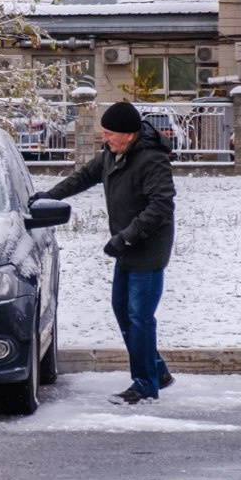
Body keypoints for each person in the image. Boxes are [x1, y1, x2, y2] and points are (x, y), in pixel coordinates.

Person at [33, 101, 175, 403]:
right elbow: (83, 178)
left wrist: (126, 238)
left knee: (139, 316)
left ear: (129, 133)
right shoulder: (112, 155)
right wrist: (49, 197)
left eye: (110, 133)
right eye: (104, 133)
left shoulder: (152, 160)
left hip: (147, 249)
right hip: (126, 247)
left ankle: (146, 386)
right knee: (123, 310)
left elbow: (161, 207)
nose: (105, 138)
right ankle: (158, 371)